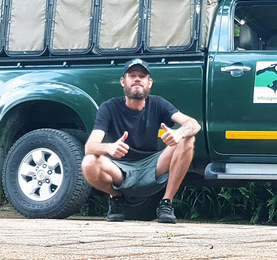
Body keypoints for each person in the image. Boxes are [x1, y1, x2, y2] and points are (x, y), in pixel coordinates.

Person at [82, 59, 200, 223]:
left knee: (188, 139)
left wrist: (178, 134)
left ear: (149, 83)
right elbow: (90, 147)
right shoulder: (109, 107)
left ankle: (166, 202)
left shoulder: (158, 103)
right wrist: (109, 148)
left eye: (142, 76)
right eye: (132, 75)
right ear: (123, 81)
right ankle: (116, 198)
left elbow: (193, 124)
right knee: (89, 161)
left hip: (153, 166)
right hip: (118, 169)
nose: (137, 79)